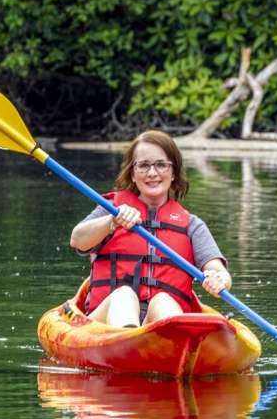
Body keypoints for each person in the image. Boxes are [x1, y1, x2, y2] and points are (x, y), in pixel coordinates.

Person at [69, 130, 232, 327]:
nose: (152, 173)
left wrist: (218, 279)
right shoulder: (111, 210)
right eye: (144, 166)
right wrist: (112, 221)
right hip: (104, 325)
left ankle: (168, 341)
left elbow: (219, 272)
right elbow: (77, 240)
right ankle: (128, 341)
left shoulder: (191, 225)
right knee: (124, 295)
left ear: (174, 173)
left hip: (158, 326)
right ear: (132, 173)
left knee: (163, 301)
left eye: (161, 165)